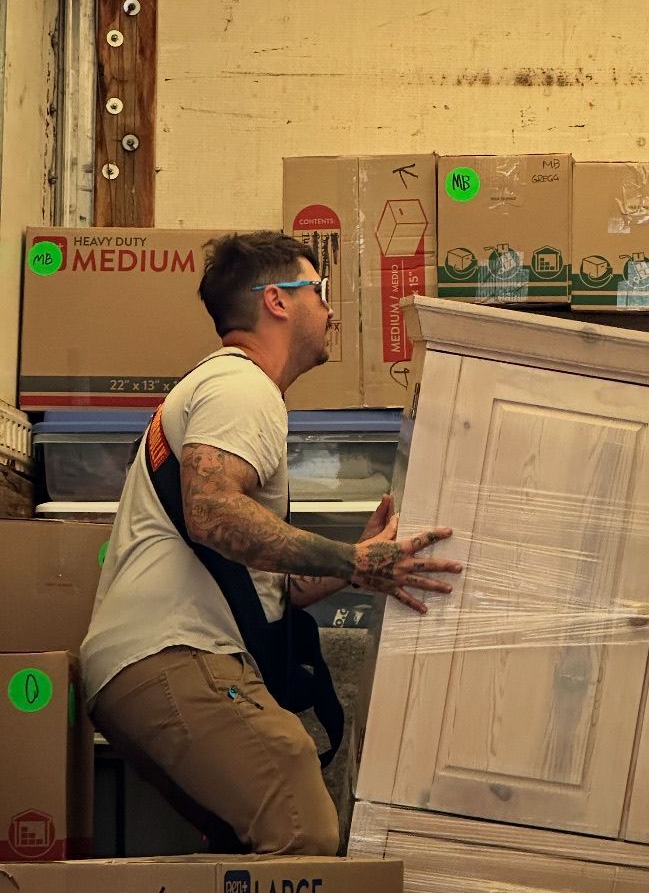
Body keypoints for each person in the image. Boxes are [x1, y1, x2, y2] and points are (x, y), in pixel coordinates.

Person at [82, 231, 462, 856]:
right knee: (303, 831)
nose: (331, 309)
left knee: (248, 848)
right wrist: (353, 558)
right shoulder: (241, 387)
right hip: (174, 655)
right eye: (319, 291)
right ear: (277, 302)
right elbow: (211, 514)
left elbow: (257, 581)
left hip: (143, 668)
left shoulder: (224, 390)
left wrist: (350, 570)